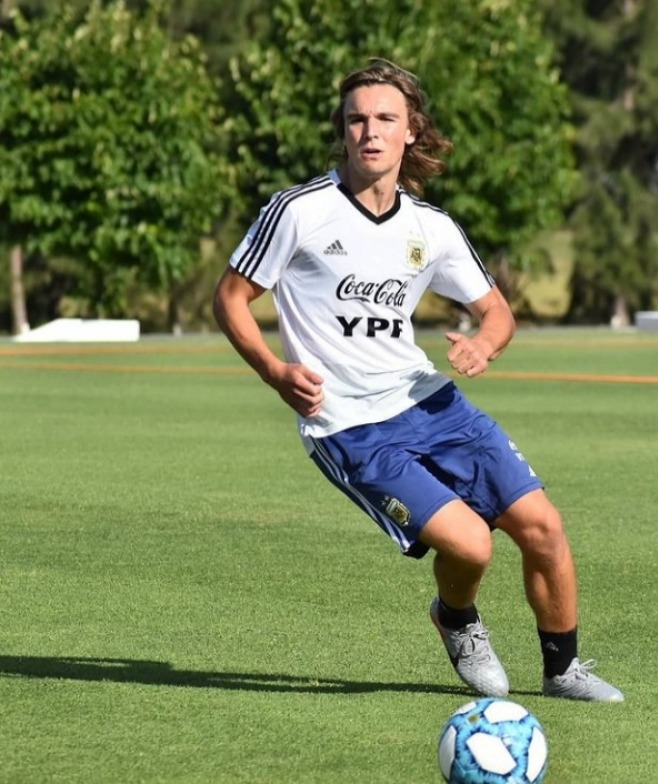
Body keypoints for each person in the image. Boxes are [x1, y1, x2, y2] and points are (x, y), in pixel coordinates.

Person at [213, 58, 623, 702]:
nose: (369, 131)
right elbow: (232, 297)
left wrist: (484, 345)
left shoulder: (430, 227)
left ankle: (563, 670)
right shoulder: (299, 211)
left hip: (429, 402)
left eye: (384, 119)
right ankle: (456, 618)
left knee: (542, 524)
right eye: (356, 119)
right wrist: (275, 371)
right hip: (347, 423)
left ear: (411, 132)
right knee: (471, 548)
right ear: (342, 132)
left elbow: (496, 313)